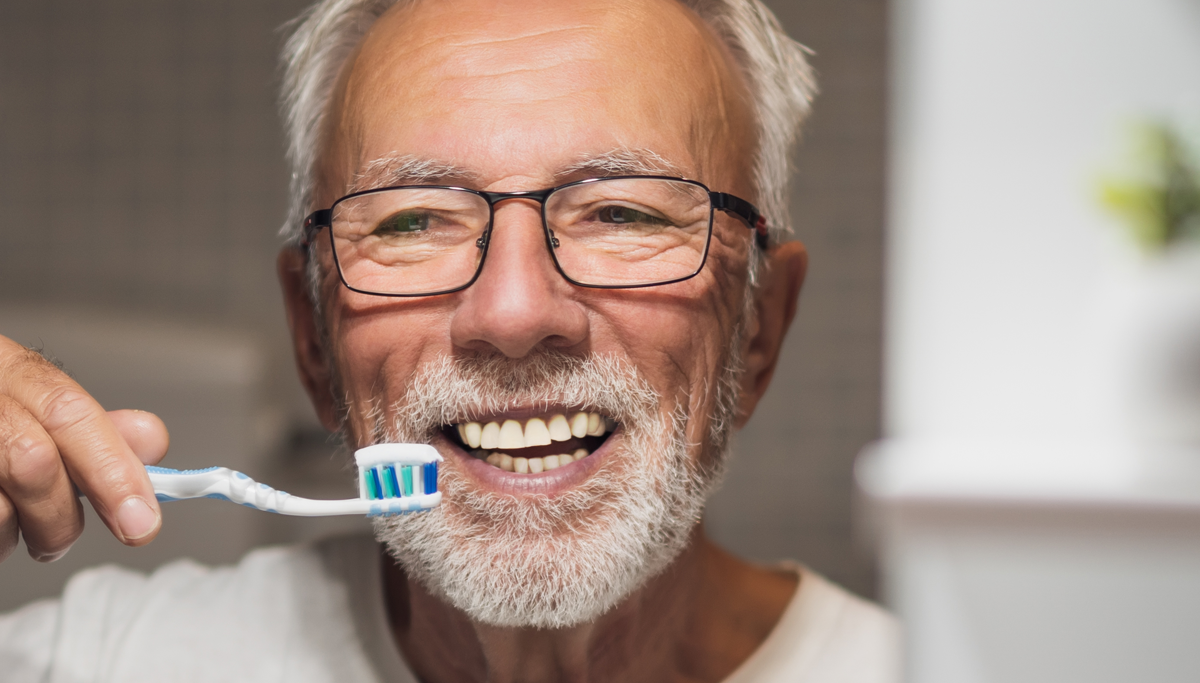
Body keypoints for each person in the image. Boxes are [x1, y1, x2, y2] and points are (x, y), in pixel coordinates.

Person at [0, 0, 899, 680]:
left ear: (760, 325)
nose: (512, 314)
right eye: (413, 221)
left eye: (621, 212)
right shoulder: (102, 661)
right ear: (313, 337)